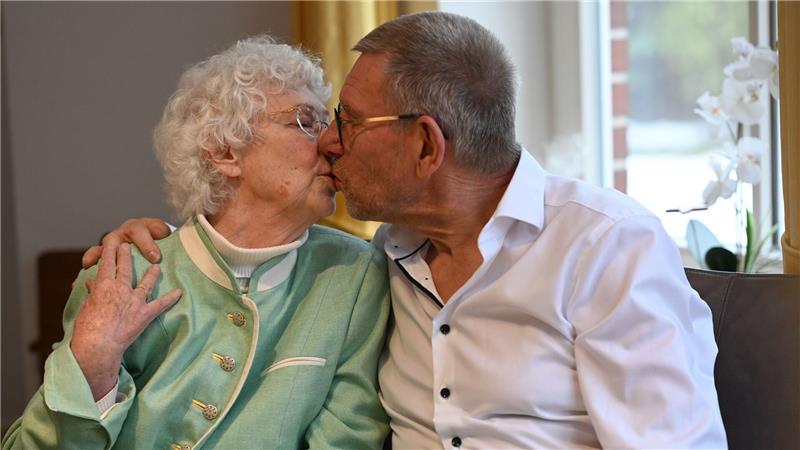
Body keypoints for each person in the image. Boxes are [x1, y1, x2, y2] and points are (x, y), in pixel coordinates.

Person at [79, 12, 728, 449]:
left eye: (348, 121)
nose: (331, 143)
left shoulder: (606, 247)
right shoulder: (385, 257)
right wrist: (155, 238)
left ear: (425, 147)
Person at [2, 36, 390, 450]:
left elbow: (348, 438)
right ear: (224, 152)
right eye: (305, 122)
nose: (333, 143)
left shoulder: (354, 274)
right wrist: (93, 366)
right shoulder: (125, 273)